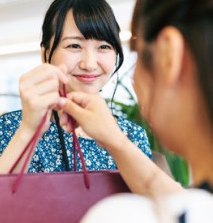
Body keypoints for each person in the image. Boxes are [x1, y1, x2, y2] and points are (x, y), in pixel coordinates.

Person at [58, 0, 213, 221]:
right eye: (74, 45)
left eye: (135, 53)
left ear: (168, 56)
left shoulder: (119, 216)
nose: (89, 63)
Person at [0, 0, 152, 175]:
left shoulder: (132, 135)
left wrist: (116, 141)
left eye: (104, 47)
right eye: (74, 45)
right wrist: (28, 130)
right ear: (45, 53)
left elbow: (151, 201)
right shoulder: (12, 126)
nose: (89, 64)